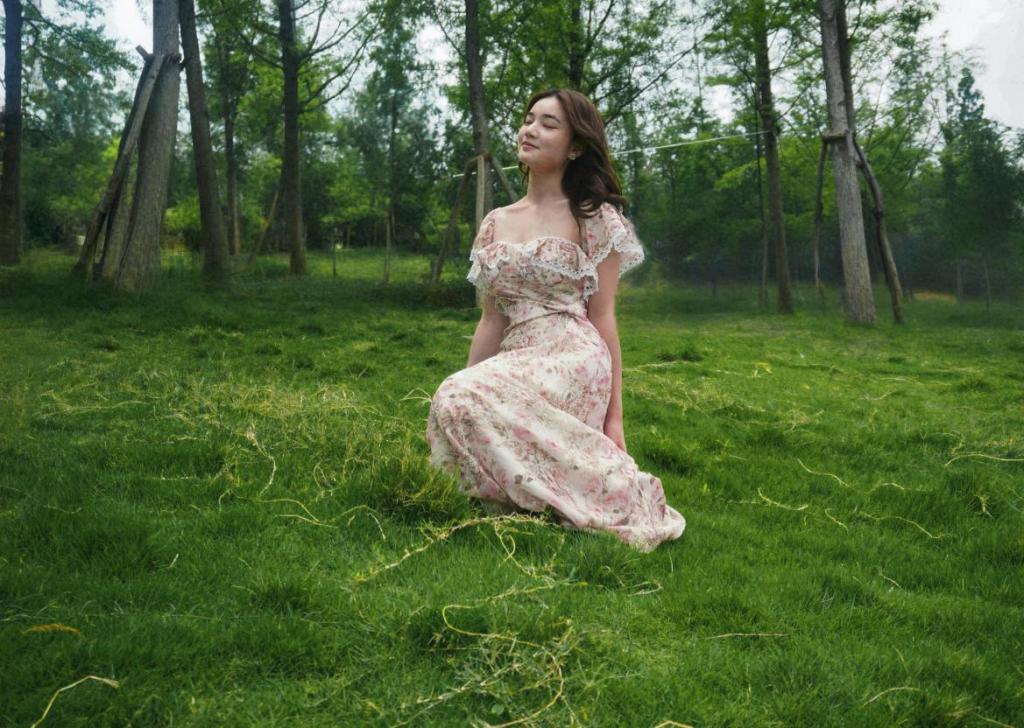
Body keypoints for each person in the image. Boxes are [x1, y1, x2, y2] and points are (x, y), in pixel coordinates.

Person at [425, 88, 685, 553]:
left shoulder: (594, 218)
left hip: (573, 353)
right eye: (528, 119)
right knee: (454, 397)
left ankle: (609, 492)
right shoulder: (495, 222)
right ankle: (526, 500)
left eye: (548, 124)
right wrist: (467, 387)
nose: (530, 130)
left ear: (576, 146)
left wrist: (615, 419)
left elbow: (604, 317)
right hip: (518, 352)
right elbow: (491, 320)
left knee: (460, 395)